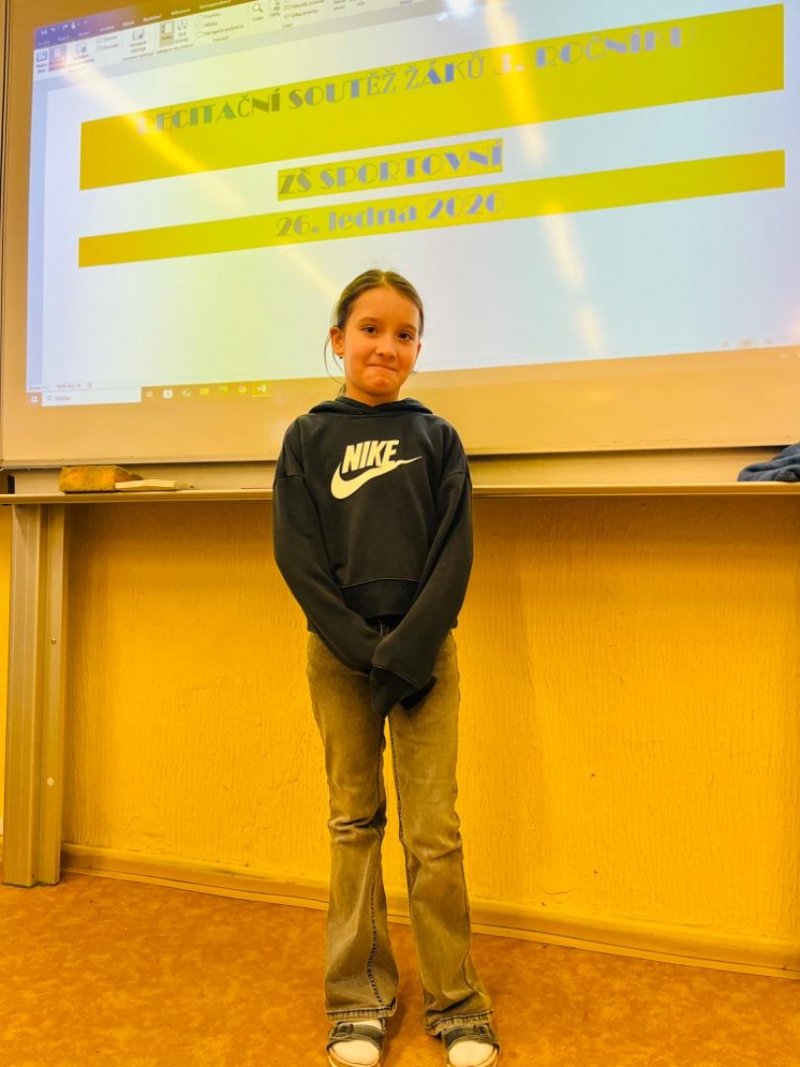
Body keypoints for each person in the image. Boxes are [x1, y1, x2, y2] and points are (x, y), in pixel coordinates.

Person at [272, 269, 500, 1067]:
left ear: (417, 349)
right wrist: (359, 647)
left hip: (424, 654)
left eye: (404, 334)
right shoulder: (307, 437)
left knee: (434, 833)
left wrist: (405, 651)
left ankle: (458, 1003)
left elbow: (454, 554)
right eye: (370, 329)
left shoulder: (437, 438)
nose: (386, 346)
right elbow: (297, 554)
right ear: (338, 339)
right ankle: (357, 1002)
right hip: (340, 657)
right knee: (353, 822)